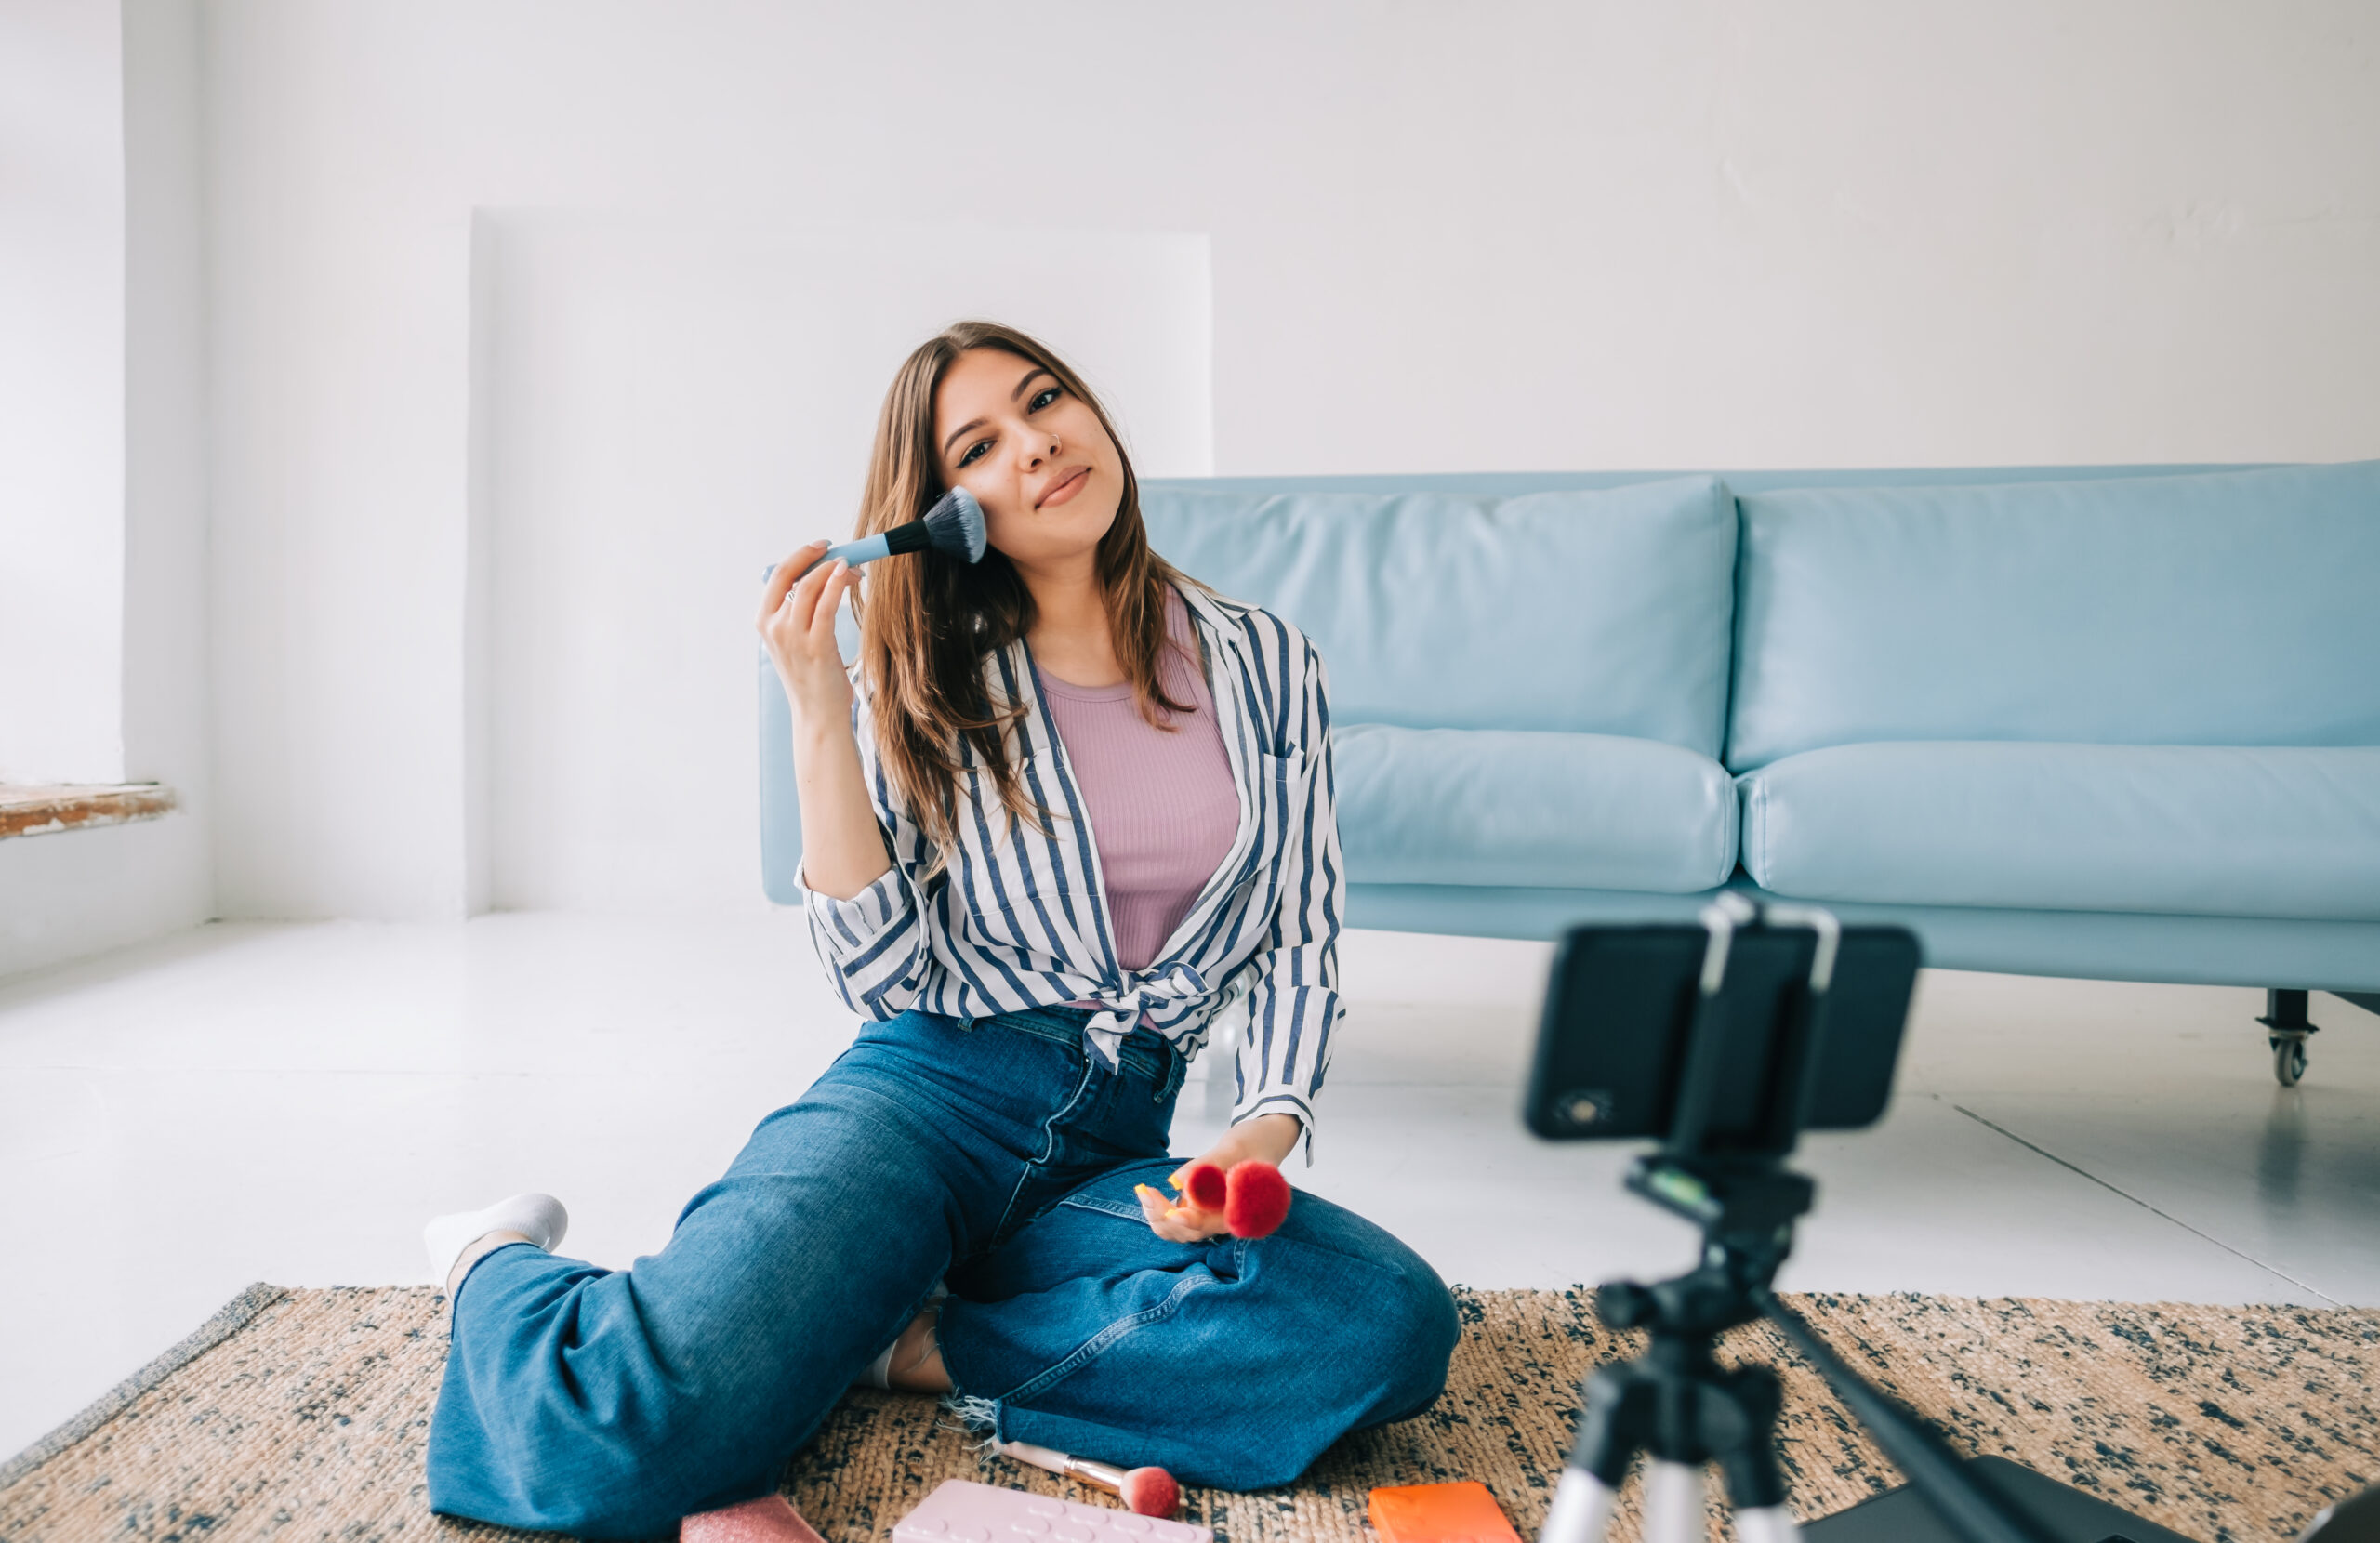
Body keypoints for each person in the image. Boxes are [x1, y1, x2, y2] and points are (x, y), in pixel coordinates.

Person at [418, 321, 1461, 1541]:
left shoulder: (1268, 660)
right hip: (928, 1100)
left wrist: (1259, 1138)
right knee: (620, 1446)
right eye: (981, 444)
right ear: (947, 507)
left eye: (1045, 401)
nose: (1036, 444)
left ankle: (910, 1343)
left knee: (1382, 1318)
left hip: (1116, 1134)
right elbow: (881, 974)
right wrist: (819, 708)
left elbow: (1294, 933)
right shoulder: (930, 676)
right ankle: (496, 1263)